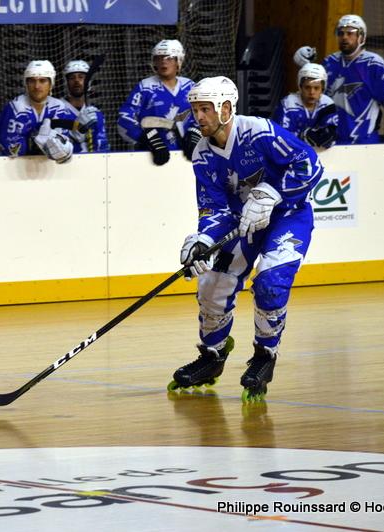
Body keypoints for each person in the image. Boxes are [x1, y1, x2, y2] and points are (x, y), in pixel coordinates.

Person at [168, 76, 323, 403]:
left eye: (206, 109)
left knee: (270, 282)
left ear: (226, 107)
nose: (200, 117)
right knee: (212, 286)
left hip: (287, 215)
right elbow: (213, 209)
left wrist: (273, 193)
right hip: (242, 223)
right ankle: (212, 355)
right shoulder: (202, 155)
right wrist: (202, 242)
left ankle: (264, 356)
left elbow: (310, 163)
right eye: (196, 110)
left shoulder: (260, 132)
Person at [322, 14, 384, 158]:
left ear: (361, 37)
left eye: (350, 33)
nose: (345, 37)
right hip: (331, 144)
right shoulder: (329, 62)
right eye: (341, 33)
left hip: (365, 144)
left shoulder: (373, 64)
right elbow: (317, 98)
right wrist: (306, 66)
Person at [117, 39, 200, 166]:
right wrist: (147, 137)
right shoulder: (145, 87)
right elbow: (124, 119)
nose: (163, 62)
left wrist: (196, 133)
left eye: (169, 58)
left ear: (179, 61)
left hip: (187, 159)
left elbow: (206, 115)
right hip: (149, 159)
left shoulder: (190, 87)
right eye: (159, 58)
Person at [0, 60, 74, 164]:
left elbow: (67, 142)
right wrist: (36, 141)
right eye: (32, 81)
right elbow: (13, 150)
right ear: (26, 83)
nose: (37, 86)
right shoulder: (16, 108)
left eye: (42, 80)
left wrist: (65, 149)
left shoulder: (60, 108)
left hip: (41, 171)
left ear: (51, 84)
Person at [272, 63, 338, 150]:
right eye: (307, 87)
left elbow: (332, 135)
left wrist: (329, 137)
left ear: (323, 89)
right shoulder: (287, 104)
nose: (312, 92)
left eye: (316, 88)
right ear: (300, 87)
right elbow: (279, 138)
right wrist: (303, 136)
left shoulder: (328, 104)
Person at [60, 60, 110, 153]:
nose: (77, 81)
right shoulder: (57, 110)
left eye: (81, 77)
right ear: (66, 82)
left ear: (89, 82)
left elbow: (102, 146)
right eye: (72, 78)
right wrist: (76, 131)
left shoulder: (96, 114)